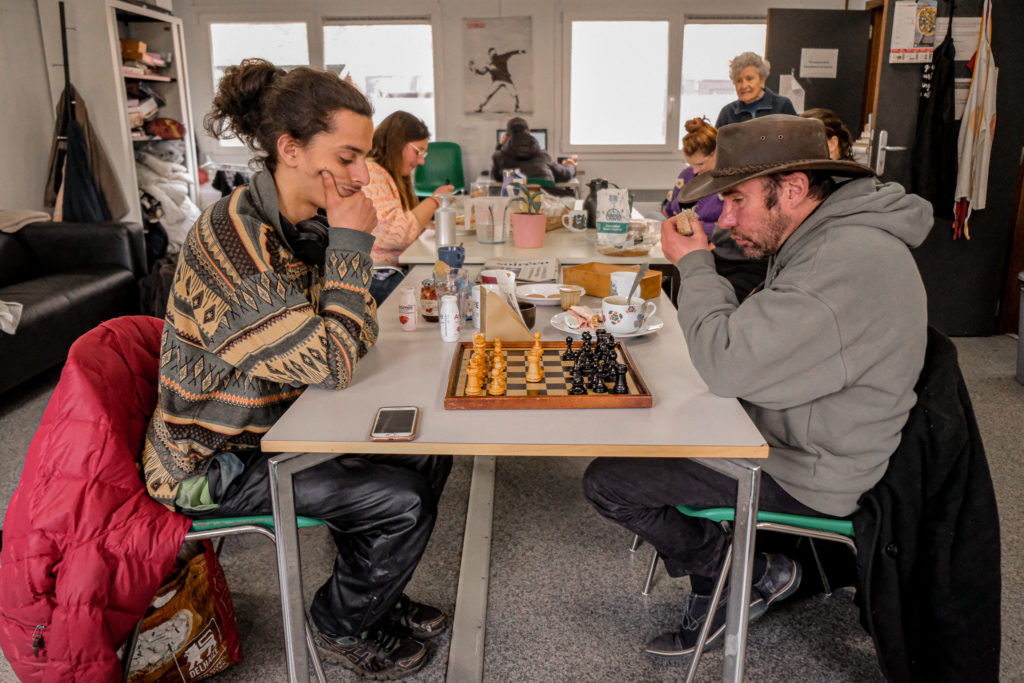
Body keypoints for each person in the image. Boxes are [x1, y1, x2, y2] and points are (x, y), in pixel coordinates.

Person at [139, 58, 452, 680]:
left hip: (283, 419)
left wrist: (342, 264)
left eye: (365, 156)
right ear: (290, 148)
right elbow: (335, 359)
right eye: (347, 157)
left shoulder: (301, 225)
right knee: (402, 501)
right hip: (214, 459)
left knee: (428, 449)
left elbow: (353, 333)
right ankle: (341, 624)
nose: (362, 176)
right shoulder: (232, 241)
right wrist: (351, 247)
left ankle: (372, 594)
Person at [583, 115, 931, 661]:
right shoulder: (828, 237)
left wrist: (696, 265)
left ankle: (740, 576)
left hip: (807, 467)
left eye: (737, 199)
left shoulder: (841, 260)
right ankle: (737, 570)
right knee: (643, 418)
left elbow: (726, 365)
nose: (724, 218)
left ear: (792, 189)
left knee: (610, 481)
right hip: (784, 426)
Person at [663, 116, 768, 299]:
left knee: (696, 295)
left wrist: (711, 242)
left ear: (717, 152)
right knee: (669, 289)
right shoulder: (691, 178)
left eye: (701, 164)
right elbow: (672, 210)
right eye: (691, 165)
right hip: (716, 254)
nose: (695, 171)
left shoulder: (739, 180)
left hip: (737, 260)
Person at [362, 111, 453, 305]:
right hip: (377, 277)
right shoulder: (372, 174)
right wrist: (435, 200)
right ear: (397, 143)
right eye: (418, 151)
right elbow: (399, 233)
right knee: (443, 296)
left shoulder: (385, 173)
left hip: (388, 270)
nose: (421, 161)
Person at [715, 52, 797, 128]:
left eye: (749, 79)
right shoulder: (727, 113)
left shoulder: (782, 106)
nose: (744, 86)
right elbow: (716, 143)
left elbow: (798, 139)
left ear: (762, 80)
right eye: (739, 81)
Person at [491, 116, 577, 183]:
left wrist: (500, 146)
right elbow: (565, 175)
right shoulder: (544, 156)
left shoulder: (499, 157)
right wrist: (570, 165)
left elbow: (497, 177)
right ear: (529, 133)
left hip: (515, 204)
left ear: (506, 136)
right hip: (544, 203)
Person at [469, 47, 526, 112]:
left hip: (505, 79)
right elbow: (482, 72)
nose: (494, 54)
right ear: (489, 54)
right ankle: (480, 108)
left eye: (494, 52)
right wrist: (474, 69)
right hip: (500, 80)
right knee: (489, 94)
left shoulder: (497, 60)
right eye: (492, 53)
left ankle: (517, 108)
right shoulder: (490, 64)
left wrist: (519, 51)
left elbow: (510, 53)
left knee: (514, 94)